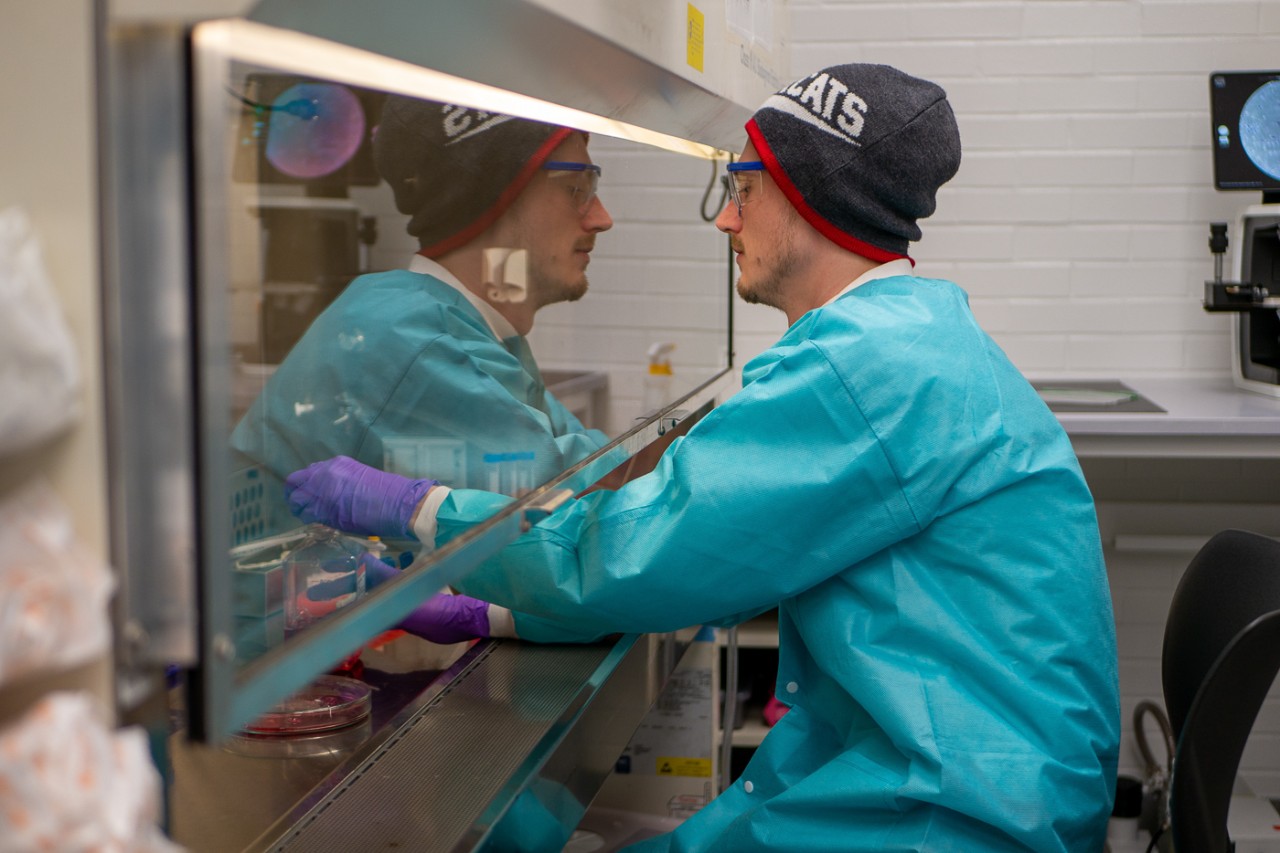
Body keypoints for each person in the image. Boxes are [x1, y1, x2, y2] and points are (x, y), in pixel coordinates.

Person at [284, 63, 1121, 852]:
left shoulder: (867, 368)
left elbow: (624, 554)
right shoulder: (901, 340)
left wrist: (418, 512)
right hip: (943, 780)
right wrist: (496, 613)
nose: (726, 218)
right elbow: (698, 544)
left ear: (812, 201)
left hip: (953, 816)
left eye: (743, 189)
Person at [232, 95, 616, 497]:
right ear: (493, 197)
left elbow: (594, 466)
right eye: (576, 188)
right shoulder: (412, 340)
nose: (601, 218)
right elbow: (573, 511)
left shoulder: (472, 331)